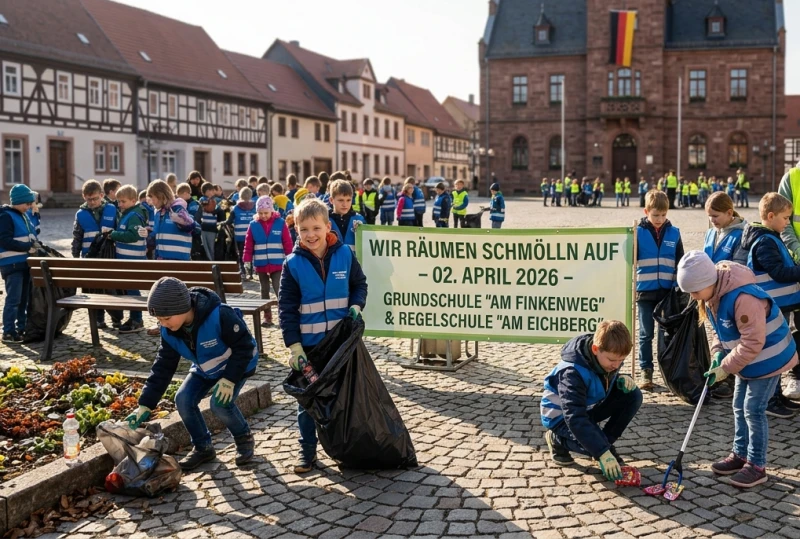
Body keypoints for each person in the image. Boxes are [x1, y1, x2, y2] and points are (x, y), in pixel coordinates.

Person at [676, 251, 798, 488]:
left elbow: (753, 342)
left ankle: (757, 465)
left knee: (753, 409)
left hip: (769, 359)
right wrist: (718, 354)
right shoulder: (712, 296)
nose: (693, 297)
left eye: (694, 291)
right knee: (738, 406)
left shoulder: (743, 298)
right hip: (747, 360)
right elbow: (721, 333)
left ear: (707, 282)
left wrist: (726, 368)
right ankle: (740, 454)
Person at [126, 277, 259, 469]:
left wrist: (229, 380)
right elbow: (163, 366)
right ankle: (203, 447)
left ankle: (243, 439)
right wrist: (145, 405)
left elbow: (244, 347)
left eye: (166, 318)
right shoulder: (170, 331)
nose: (162, 324)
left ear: (181, 307)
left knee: (220, 404)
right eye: (159, 320)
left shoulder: (220, 315)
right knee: (183, 399)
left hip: (236, 366)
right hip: (206, 367)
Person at [278, 198, 368, 473]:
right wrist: (294, 347)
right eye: (303, 229)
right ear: (296, 231)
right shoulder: (292, 264)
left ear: (328, 226)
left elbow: (359, 284)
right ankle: (307, 453)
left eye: (315, 227)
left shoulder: (344, 255)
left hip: (341, 346)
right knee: (308, 402)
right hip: (310, 348)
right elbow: (287, 309)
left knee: (345, 398)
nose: (310, 235)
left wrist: (355, 305)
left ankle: (348, 447)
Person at [541, 320, 641, 480]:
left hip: (589, 407)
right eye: (612, 360)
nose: (617, 365)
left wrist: (622, 378)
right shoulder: (571, 372)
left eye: (621, 360)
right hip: (561, 418)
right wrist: (601, 452)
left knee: (633, 395)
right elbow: (574, 417)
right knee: (592, 446)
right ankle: (557, 439)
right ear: (595, 349)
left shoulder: (607, 356)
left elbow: (604, 376)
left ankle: (603, 444)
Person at [739, 193, 800, 417]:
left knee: (778, 349)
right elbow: (778, 272)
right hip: (771, 306)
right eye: (785, 218)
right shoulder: (765, 240)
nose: (787, 222)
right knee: (771, 351)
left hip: (778, 305)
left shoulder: (770, 237)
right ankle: (770, 400)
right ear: (771, 216)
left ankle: (776, 395)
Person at [636, 190, 684, 391]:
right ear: (646, 211)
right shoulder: (637, 232)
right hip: (645, 292)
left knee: (666, 335)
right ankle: (646, 371)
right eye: (655, 215)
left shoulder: (674, 233)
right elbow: (627, 258)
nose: (660, 219)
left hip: (667, 293)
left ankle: (668, 373)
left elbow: (680, 261)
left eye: (663, 215)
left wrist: (678, 286)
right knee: (646, 334)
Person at [72, 179, 120, 329]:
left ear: (101, 195)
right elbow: (77, 235)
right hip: (89, 257)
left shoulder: (112, 209)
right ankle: (99, 319)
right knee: (93, 289)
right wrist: (75, 253)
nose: (92, 202)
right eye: (88, 199)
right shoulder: (81, 214)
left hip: (109, 255)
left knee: (112, 288)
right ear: (83, 197)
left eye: (95, 199)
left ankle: (116, 318)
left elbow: (118, 229)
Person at [242, 196, 292, 327]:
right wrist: (246, 259)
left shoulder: (280, 223)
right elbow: (249, 244)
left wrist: (290, 257)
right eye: (260, 213)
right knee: (264, 291)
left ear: (271, 210)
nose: (263, 215)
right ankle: (267, 317)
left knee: (279, 289)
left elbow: (287, 242)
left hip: (278, 263)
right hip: (261, 264)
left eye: (266, 212)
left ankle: (283, 316)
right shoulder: (253, 225)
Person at [0, 184, 39, 343]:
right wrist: (26, 247)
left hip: (24, 264)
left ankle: (21, 327)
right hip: (12, 264)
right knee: (14, 299)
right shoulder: (6, 216)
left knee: (24, 299)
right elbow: (4, 240)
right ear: (18, 202)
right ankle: (8, 331)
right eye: (27, 203)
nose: (29, 206)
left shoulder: (24, 215)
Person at [108, 185, 149, 333]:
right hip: (127, 259)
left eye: (123, 201)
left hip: (133, 260)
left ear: (133, 200)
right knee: (130, 288)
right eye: (118, 201)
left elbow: (133, 236)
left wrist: (113, 234)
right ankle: (134, 317)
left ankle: (136, 319)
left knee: (132, 289)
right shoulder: (128, 213)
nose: (119, 205)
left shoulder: (134, 216)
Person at [227, 187, 256, 280]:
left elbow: (229, 221)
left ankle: (243, 272)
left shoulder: (235, 208)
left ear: (240, 195)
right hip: (252, 235)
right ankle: (250, 272)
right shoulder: (254, 207)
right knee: (251, 253)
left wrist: (222, 223)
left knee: (241, 253)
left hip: (239, 235)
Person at [329, 179, 366, 250]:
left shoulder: (359, 220)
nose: (345, 204)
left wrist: (361, 231)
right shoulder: (325, 220)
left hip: (353, 260)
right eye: (341, 200)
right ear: (331, 200)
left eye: (348, 200)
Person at [196, 183, 224, 262]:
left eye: (212, 191)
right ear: (205, 192)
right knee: (206, 247)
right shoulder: (202, 199)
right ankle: (209, 262)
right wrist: (217, 207)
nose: (212, 193)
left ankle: (212, 263)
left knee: (211, 248)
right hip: (204, 227)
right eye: (210, 191)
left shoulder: (215, 200)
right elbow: (208, 208)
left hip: (212, 228)